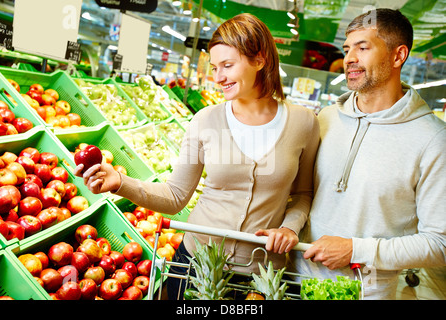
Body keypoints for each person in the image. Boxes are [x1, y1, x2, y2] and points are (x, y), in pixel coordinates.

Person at [74, 13, 320, 299]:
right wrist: (119, 181)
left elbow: (303, 193)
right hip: (194, 266)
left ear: (260, 60)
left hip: (260, 276)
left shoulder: (304, 123)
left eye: (227, 65)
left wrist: (289, 228)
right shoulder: (205, 120)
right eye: (215, 67)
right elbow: (175, 195)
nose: (218, 78)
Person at [297, 8, 446, 299]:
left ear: (398, 56)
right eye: (347, 48)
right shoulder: (326, 118)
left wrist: (356, 249)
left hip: (367, 292)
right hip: (297, 277)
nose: (349, 58)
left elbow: (439, 243)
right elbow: (304, 194)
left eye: (363, 48)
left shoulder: (433, 140)